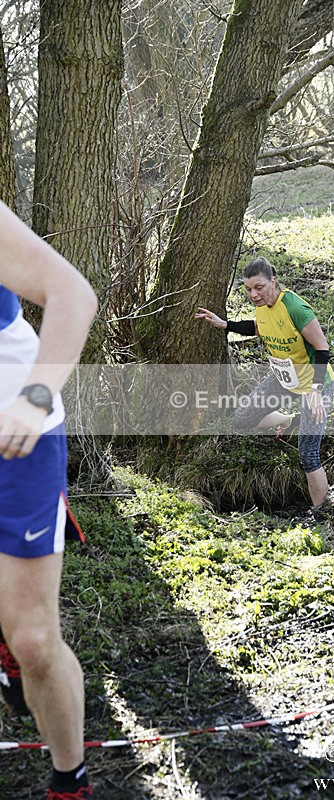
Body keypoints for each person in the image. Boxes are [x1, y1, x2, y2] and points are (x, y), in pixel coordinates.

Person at [0, 200, 97, 799]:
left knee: (34, 641)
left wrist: (36, 397)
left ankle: (70, 780)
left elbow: (72, 294)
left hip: (16, 439)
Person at [195, 257, 334, 513]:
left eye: (259, 287)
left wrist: (315, 391)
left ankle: (322, 513)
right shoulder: (262, 306)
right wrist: (226, 324)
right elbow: (258, 328)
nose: (253, 295)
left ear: (273, 281)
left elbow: (322, 348)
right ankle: (291, 420)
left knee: (308, 453)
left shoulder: (295, 307)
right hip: (285, 379)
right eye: (248, 289)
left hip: (315, 383)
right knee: (241, 420)